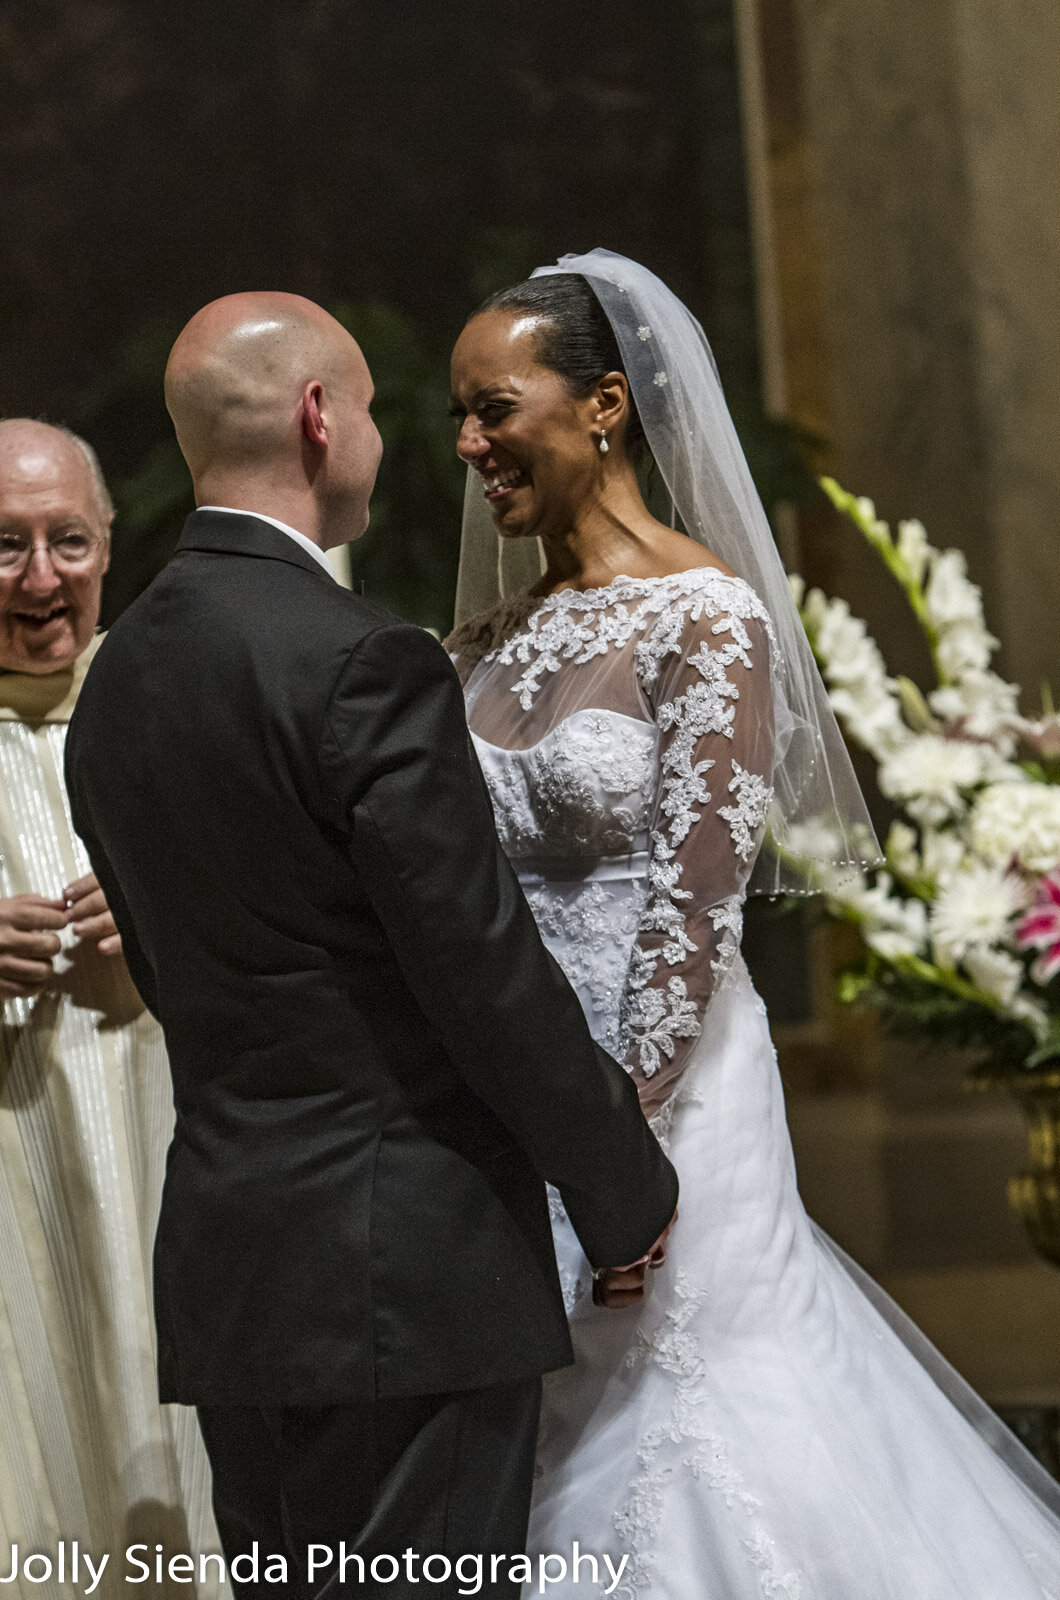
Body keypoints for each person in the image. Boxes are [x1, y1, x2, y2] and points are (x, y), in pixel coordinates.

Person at [445, 250, 1060, 1598]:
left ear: (602, 406)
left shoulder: (703, 618)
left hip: (657, 1100)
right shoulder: (483, 643)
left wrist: (614, 1153)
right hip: (515, 1099)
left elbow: (690, 911)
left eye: (493, 407)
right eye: (459, 414)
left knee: (674, 1415)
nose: (467, 443)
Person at [63, 292, 678, 1600]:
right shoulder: (356, 662)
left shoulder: (117, 681)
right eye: (387, 418)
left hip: (236, 1269)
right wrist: (622, 1188)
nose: (405, 447)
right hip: (401, 1278)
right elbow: (478, 969)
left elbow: (182, 980)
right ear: (316, 418)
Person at [0, 419, 220, 1597]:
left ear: (108, 549)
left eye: (68, 540)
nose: (42, 579)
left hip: (174, 1158)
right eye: (3, 547)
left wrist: (177, 919)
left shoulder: (177, 710)